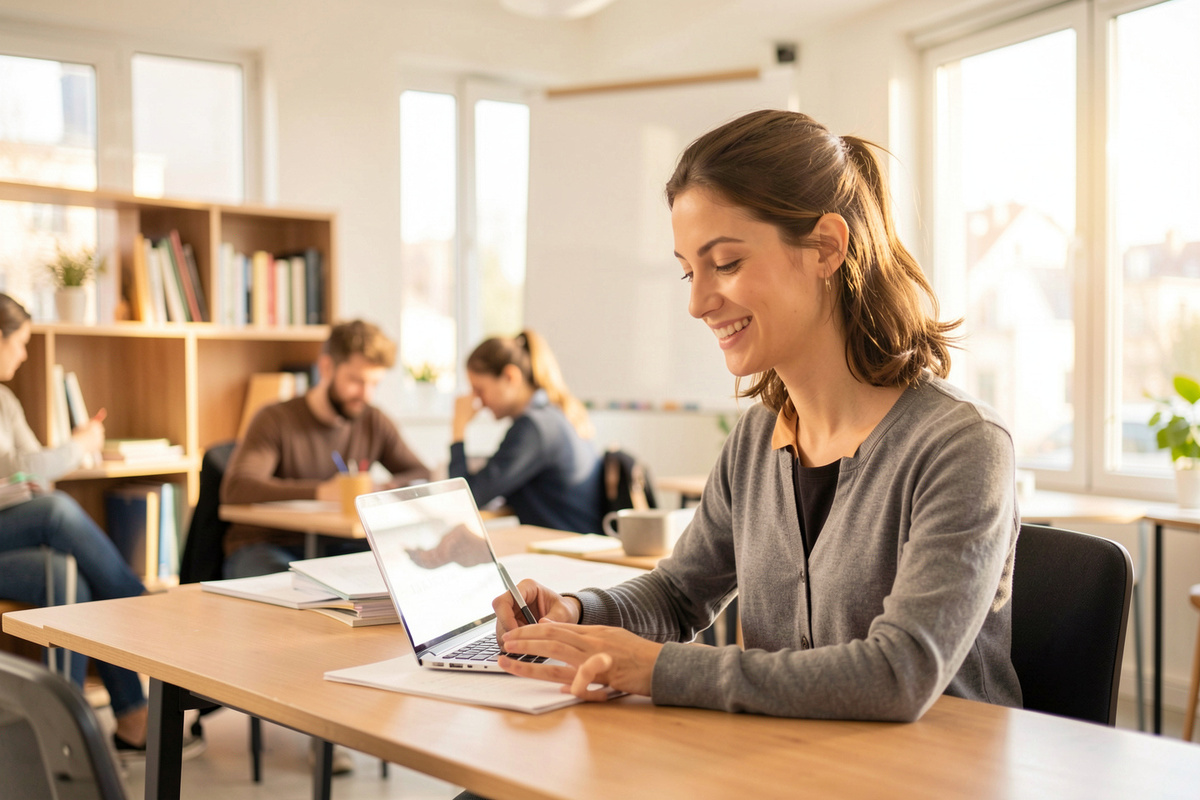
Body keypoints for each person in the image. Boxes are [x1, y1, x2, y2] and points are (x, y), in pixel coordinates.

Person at [489, 110, 1022, 723]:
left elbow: (898, 673)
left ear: (826, 247)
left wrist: (657, 668)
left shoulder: (962, 444)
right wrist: (579, 614)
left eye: (727, 263)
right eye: (690, 270)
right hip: (786, 763)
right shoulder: (756, 439)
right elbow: (680, 594)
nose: (696, 302)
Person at [0, 292, 167, 760]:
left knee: (67, 571)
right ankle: (139, 607)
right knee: (56, 511)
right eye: (20, 343)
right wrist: (77, 445)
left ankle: (88, 730)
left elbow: (31, 472)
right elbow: (17, 464)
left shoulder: (6, 400)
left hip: (9, 538)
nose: (25, 353)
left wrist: (43, 468)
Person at [221, 319, 432, 579]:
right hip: (270, 545)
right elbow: (237, 487)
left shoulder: (373, 420)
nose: (366, 395)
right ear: (326, 368)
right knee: (291, 590)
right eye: (356, 381)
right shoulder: (275, 419)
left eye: (374, 384)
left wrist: (380, 490)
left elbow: (421, 473)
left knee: (401, 575)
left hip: (336, 544)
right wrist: (322, 492)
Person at [450, 330, 602, 534]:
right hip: (579, 542)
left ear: (510, 376)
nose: (478, 401)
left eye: (480, 389)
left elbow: (465, 499)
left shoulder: (534, 428)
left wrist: (458, 429)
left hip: (568, 554)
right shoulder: (553, 415)